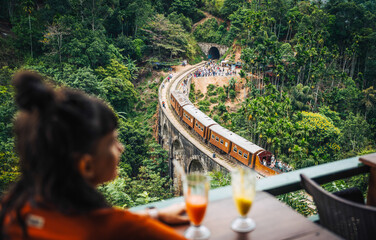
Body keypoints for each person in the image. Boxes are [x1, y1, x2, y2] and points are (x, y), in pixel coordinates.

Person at [0, 71, 188, 240]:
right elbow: (107, 224)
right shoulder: (112, 228)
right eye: (112, 142)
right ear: (86, 166)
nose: (121, 148)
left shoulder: (12, 210)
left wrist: (151, 215)